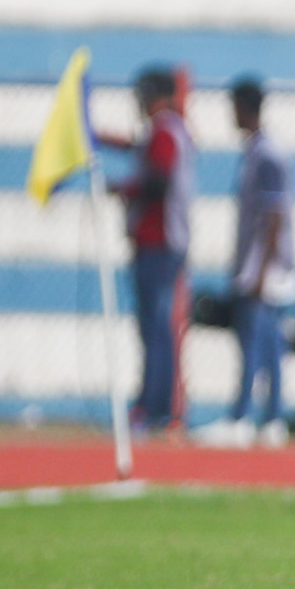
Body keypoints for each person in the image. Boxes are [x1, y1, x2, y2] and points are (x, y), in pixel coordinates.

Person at [192, 76, 295, 449]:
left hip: (263, 269)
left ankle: (243, 416)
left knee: (254, 343)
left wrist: (262, 270)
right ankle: (271, 419)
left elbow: (274, 216)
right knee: (268, 345)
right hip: (257, 265)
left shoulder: (267, 154)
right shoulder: (256, 150)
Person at [103, 66, 196, 434]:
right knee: (151, 328)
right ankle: (151, 406)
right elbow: (136, 148)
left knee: (156, 327)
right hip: (154, 243)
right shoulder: (163, 131)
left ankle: (155, 409)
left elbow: (157, 179)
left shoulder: (166, 130)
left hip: (160, 243)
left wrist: (124, 190)